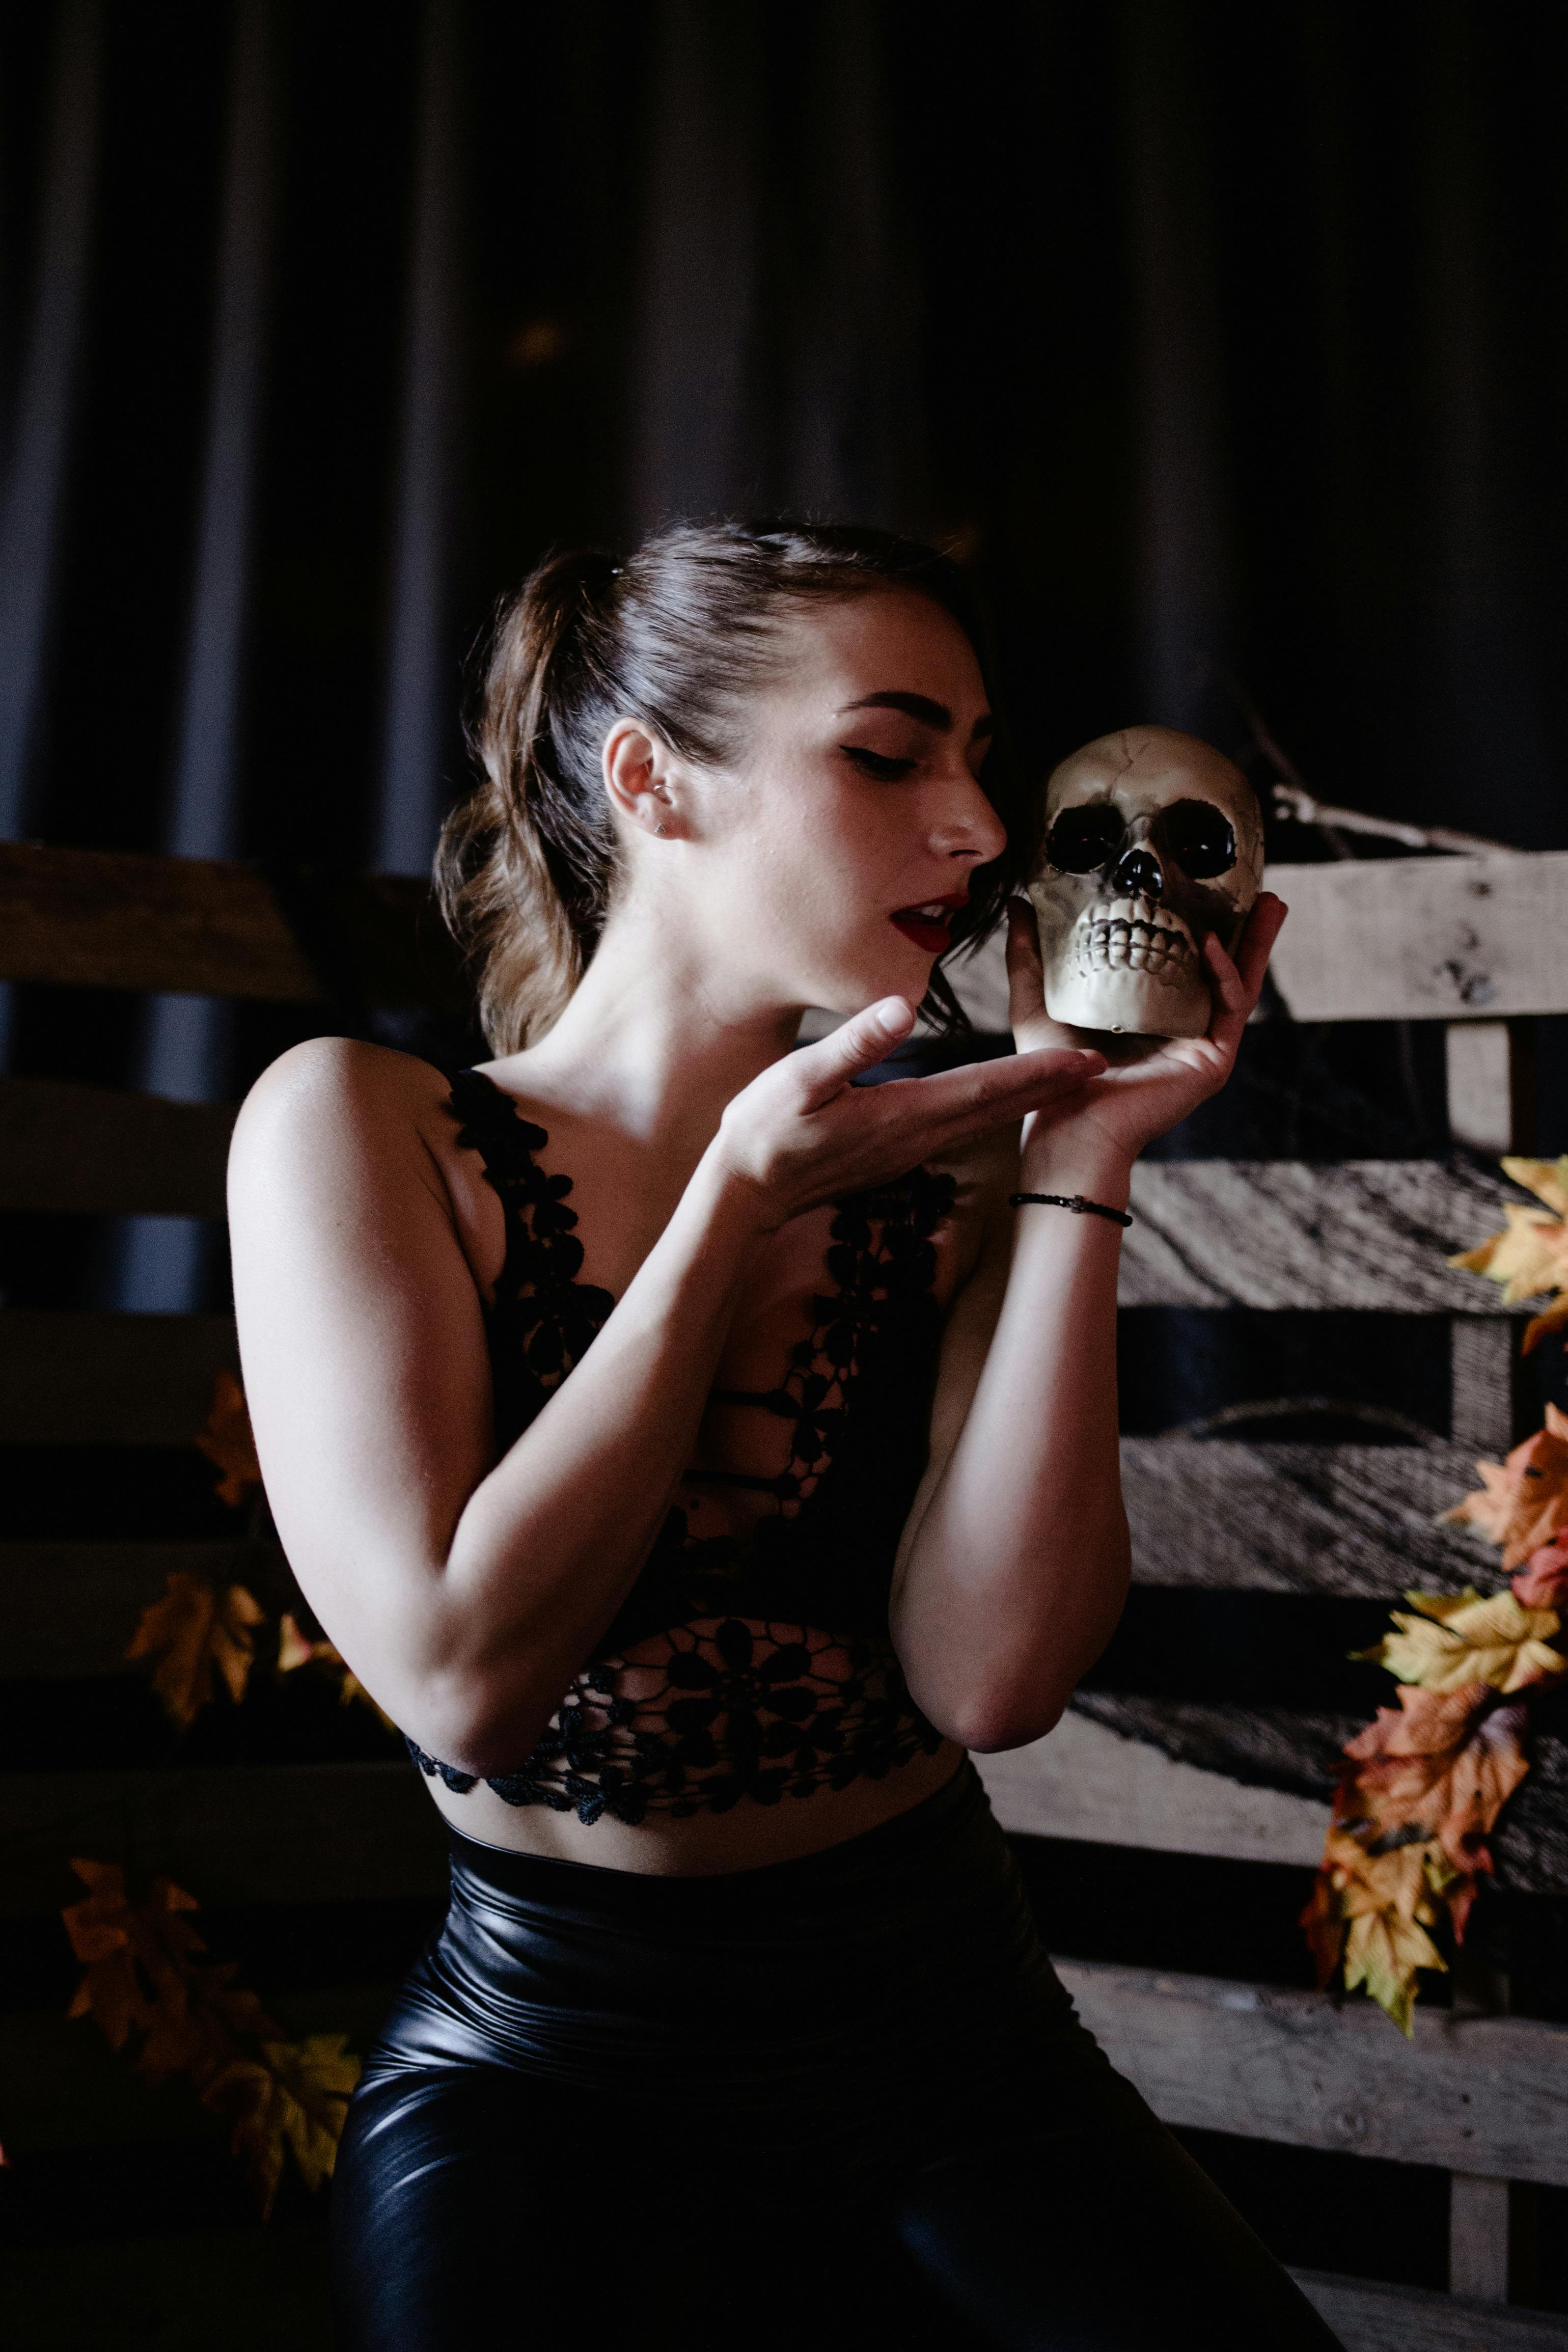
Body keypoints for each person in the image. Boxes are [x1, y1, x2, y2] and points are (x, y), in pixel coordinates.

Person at [228, 522, 1336, 2350]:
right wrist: (732, 1201)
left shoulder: (965, 1163)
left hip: (956, 2029)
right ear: (652, 781)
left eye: (979, 757)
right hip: (544, 2061)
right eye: (890, 754)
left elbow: (991, 1680)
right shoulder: (358, 1128)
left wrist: (1080, 1169)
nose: (978, 826)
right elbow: (459, 1681)